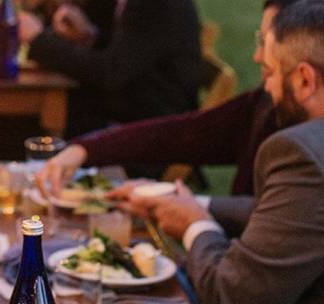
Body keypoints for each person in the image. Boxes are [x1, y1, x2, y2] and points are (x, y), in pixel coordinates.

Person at [123, 0, 324, 304]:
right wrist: (199, 203)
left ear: (304, 79)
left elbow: (235, 298)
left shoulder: (302, 150)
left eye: (271, 74)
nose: (267, 89)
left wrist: (196, 226)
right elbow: (291, 214)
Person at [38, 0, 297, 201]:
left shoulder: (300, 147)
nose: (257, 56)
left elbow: (112, 73)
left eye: (266, 42)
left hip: (142, 123)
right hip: (140, 123)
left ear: (305, 77)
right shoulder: (262, 105)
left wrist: (195, 214)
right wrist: (83, 149)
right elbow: (186, 131)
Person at [19, 0, 201, 137]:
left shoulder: (153, 4)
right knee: (26, 115)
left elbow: (110, 73)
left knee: (31, 119)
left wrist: (38, 40)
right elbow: (130, 54)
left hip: (152, 128)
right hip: (131, 107)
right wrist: (90, 37)